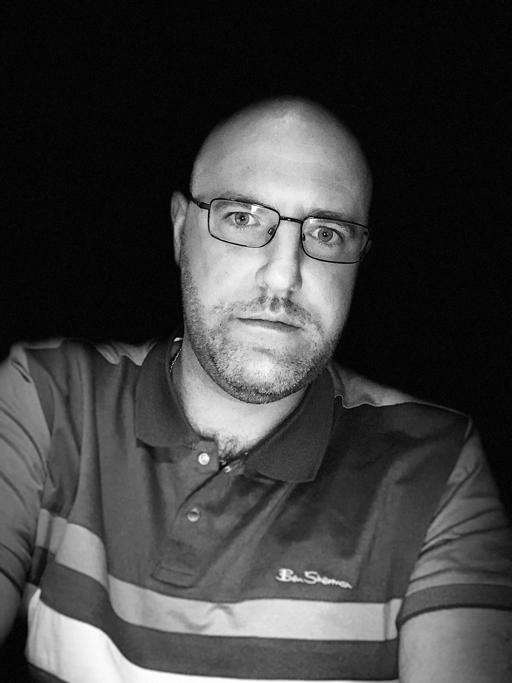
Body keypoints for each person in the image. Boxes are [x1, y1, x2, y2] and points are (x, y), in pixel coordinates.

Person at [0, 97, 511, 682]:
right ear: (181, 229)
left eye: (327, 233)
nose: (283, 275)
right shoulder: (48, 398)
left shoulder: (437, 466)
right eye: (242, 218)